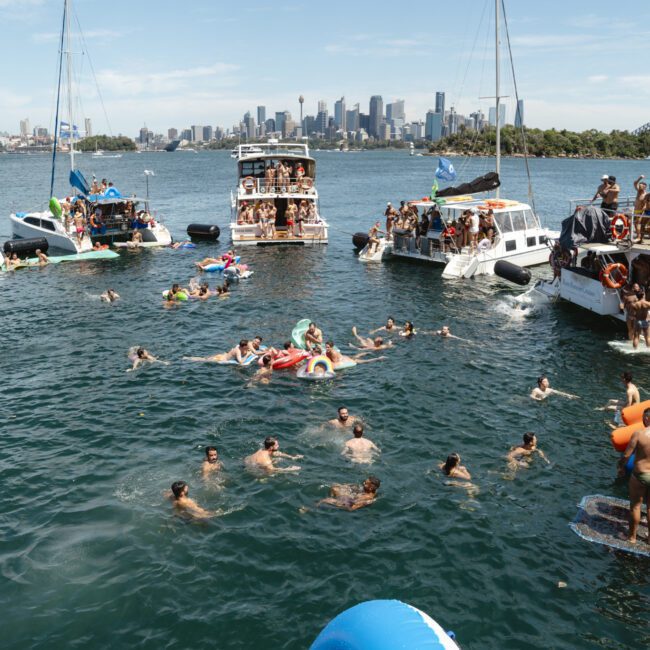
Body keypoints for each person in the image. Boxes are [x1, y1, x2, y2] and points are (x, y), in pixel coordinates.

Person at [618, 407, 650, 544]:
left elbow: (626, 455)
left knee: (636, 506)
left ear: (647, 418)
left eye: (643, 417)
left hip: (641, 475)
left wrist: (620, 466)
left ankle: (632, 538)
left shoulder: (638, 434)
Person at [184, 340, 250, 364]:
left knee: (204, 358)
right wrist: (247, 355)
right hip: (220, 359)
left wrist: (246, 351)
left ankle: (187, 358)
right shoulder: (238, 351)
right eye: (247, 345)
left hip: (221, 355)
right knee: (202, 360)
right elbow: (241, 362)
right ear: (244, 346)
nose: (248, 345)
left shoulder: (238, 346)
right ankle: (187, 358)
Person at [633, 175, 647, 242]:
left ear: (644, 187)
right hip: (636, 211)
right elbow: (635, 183)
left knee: (638, 223)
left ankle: (639, 237)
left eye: (641, 186)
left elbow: (645, 205)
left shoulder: (645, 195)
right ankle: (639, 237)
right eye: (640, 186)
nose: (640, 187)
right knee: (635, 224)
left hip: (641, 211)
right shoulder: (638, 192)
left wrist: (642, 213)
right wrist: (640, 178)